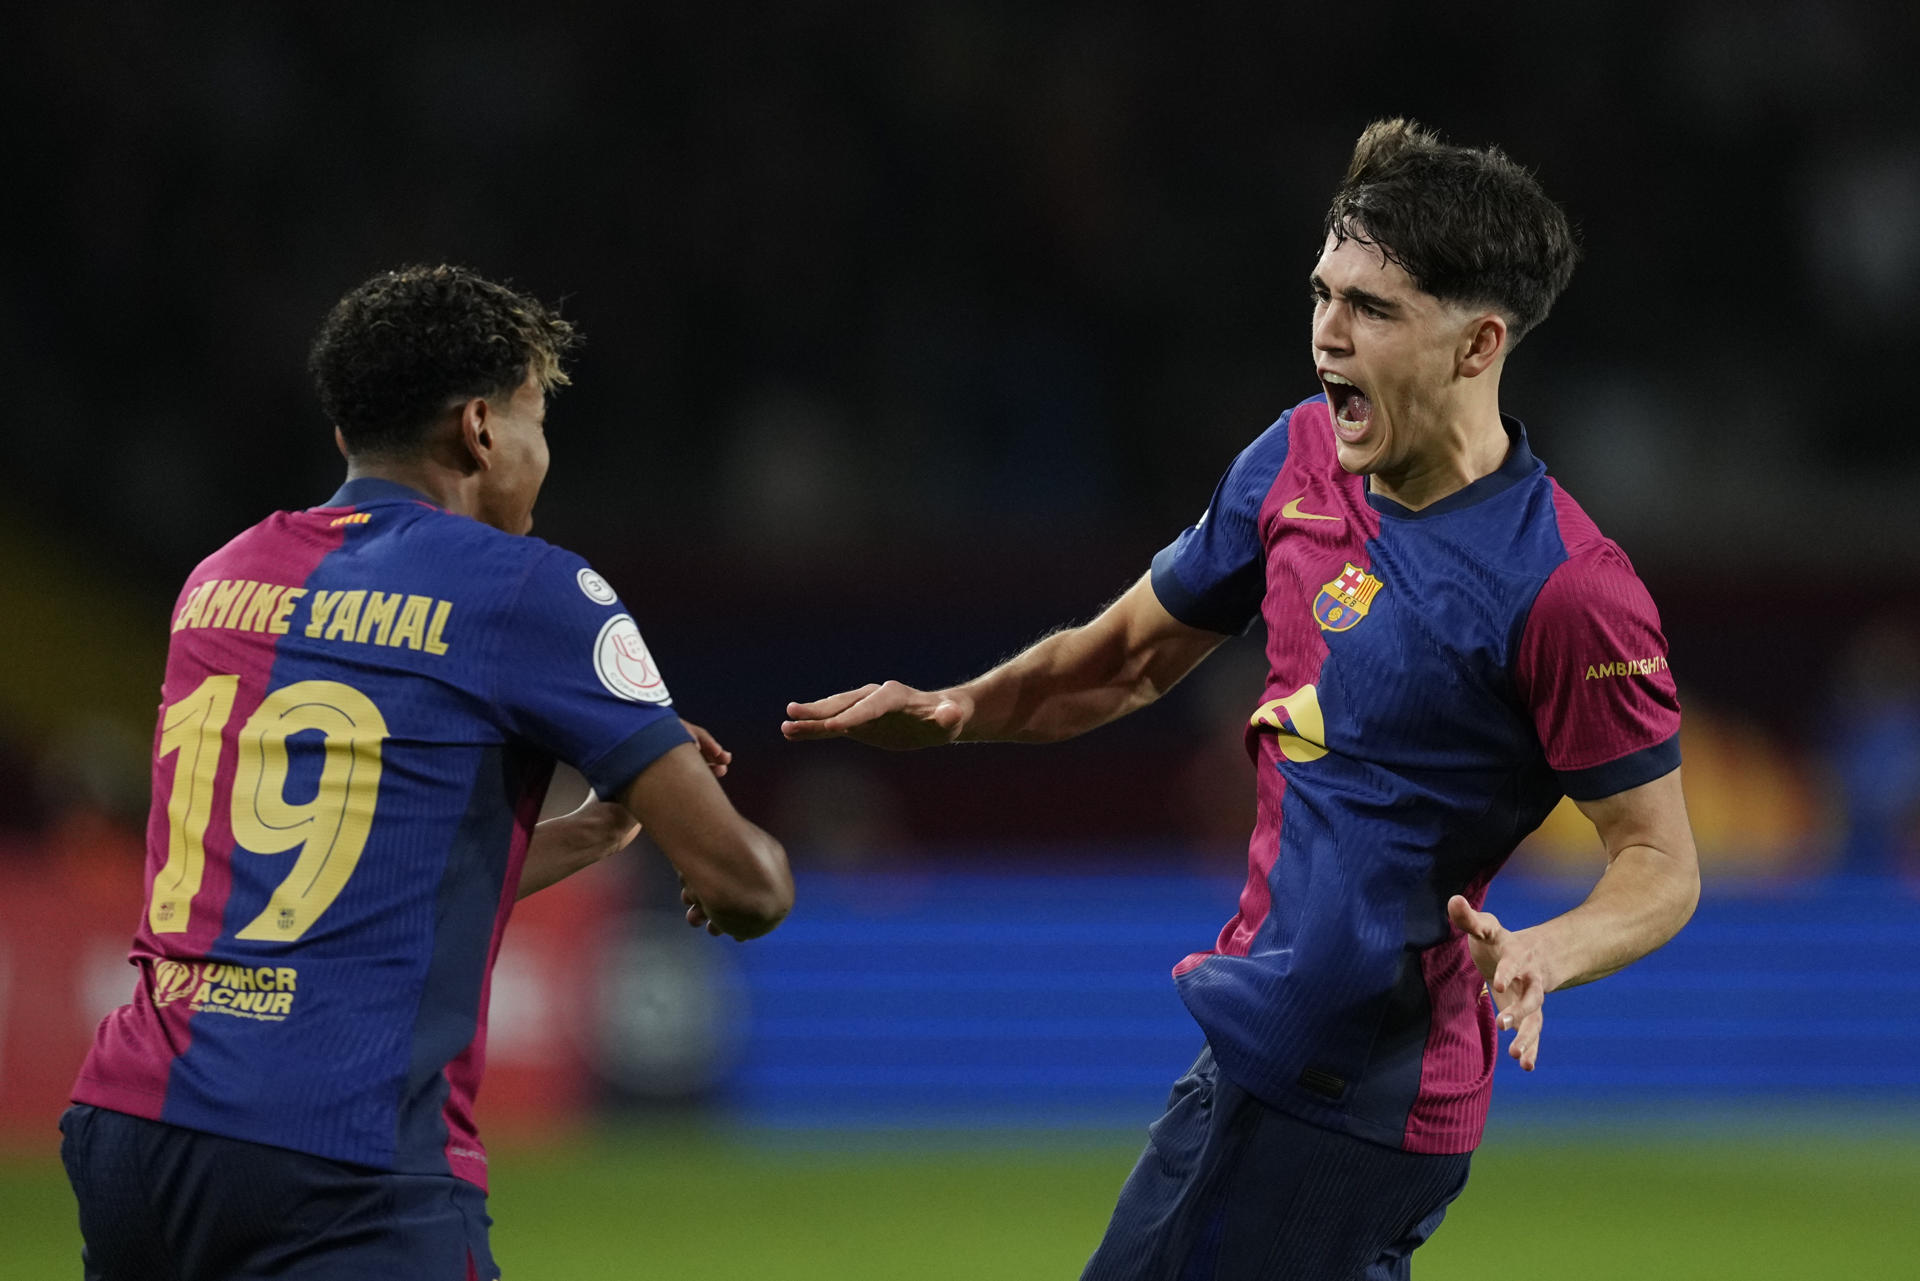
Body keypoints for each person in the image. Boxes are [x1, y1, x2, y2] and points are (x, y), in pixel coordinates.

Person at [783, 119, 1699, 1279]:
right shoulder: (1298, 458)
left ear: (1478, 345)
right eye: (1323, 292)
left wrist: (1546, 955)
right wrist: (966, 709)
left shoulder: (1566, 589)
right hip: (1269, 1056)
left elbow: (1661, 863)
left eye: (1372, 309)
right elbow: (1123, 659)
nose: (1326, 332)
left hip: (1353, 1090)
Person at [62, 265, 792, 1280]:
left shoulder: (220, 580)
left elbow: (341, 886)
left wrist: (594, 831)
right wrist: (721, 851)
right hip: (339, 1157)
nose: (543, 458)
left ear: (345, 439)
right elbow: (745, 886)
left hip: (134, 1132)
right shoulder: (528, 590)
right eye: (539, 423)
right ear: (483, 430)